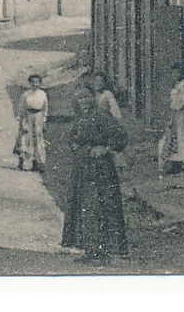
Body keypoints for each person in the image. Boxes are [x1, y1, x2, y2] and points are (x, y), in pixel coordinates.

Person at [61, 88, 129, 264]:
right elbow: (73, 139)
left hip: (101, 171)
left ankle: (104, 250)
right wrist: (77, 147)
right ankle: (90, 249)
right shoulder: (79, 119)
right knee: (85, 208)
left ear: (93, 98)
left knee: (100, 207)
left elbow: (121, 137)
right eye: (79, 98)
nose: (83, 101)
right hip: (82, 170)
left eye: (86, 97)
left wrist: (105, 148)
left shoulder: (101, 116)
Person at [158, 67, 184, 174]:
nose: (174, 75)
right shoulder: (178, 84)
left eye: (176, 73)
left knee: (183, 136)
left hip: (183, 114)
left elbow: (183, 100)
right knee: (175, 137)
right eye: (173, 73)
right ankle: (176, 161)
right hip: (177, 114)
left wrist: (175, 105)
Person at [14, 72, 49, 172]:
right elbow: (21, 109)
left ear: (40, 83)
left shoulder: (42, 94)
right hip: (27, 117)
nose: (35, 84)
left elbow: (45, 109)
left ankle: (35, 164)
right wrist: (22, 122)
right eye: (33, 82)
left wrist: (44, 120)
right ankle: (21, 164)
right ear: (29, 83)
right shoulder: (26, 95)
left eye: (37, 82)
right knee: (24, 139)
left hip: (38, 118)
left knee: (37, 140)